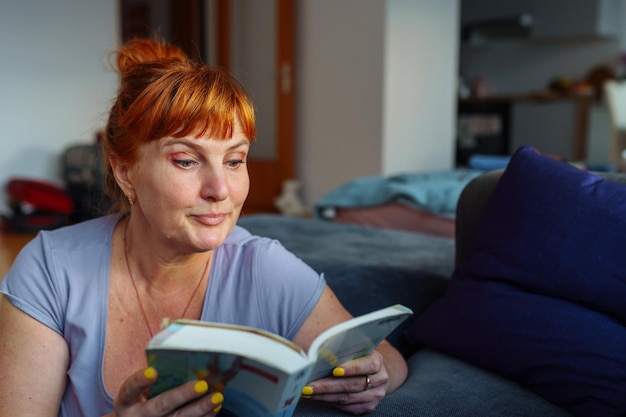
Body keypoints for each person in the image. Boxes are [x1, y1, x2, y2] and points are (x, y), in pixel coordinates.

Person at [0, 37, 407, 417]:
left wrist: (372, 377)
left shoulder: (264, 267)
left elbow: (388, 358)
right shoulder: (50, 269)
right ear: (125, 170)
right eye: (186, 160)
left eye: (234, 160)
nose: (221, 190)